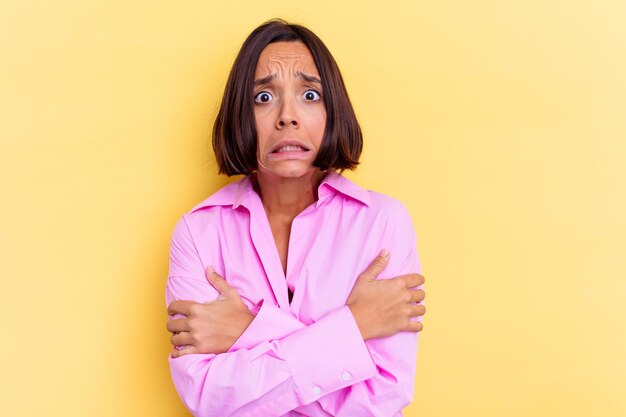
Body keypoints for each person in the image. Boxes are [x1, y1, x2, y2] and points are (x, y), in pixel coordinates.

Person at [165, 19, 426, 417]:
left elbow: (379, 400)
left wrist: (248, 330)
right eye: (264, 97)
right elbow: (209, 399)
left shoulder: (384, 223)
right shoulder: (197, 233)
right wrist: (355, 327)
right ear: (240, 112)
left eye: (309, 94)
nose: (287, 116)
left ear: (332, 108)